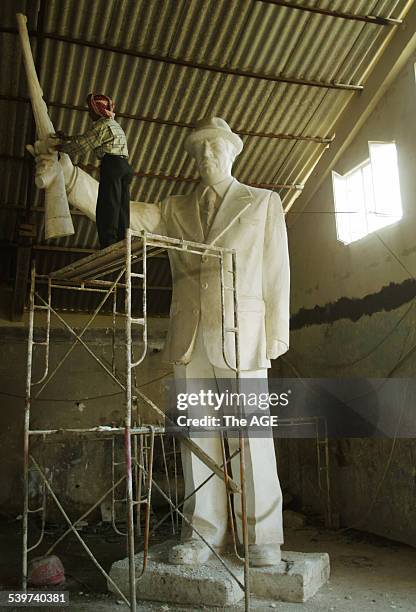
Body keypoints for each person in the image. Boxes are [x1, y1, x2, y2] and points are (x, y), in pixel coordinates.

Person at [33, 117, 290, 567]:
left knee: (250, 438)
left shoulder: (263, 203)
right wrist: (69, 175)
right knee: (197, 439)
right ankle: (204, 534)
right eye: (199, 151)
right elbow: (123, 212)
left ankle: (261, 537)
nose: (207, 156)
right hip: (190, 337)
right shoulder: (175, 209)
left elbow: (276, 271)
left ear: (233, 152)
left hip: (244, 335)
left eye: (215, 148)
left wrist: (276, 333)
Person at [53, 93, 133, 249]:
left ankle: (108, 243)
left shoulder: (101, 125)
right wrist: (67, 138)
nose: (89, 113)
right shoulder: (114, 125)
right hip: (125, 167)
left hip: (112, 164)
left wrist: (60, 148)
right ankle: (123, 241)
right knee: (122, 205)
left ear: (98, 111)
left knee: (107, 203)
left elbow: (83, 145)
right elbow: (85, 137)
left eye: (90, 110)